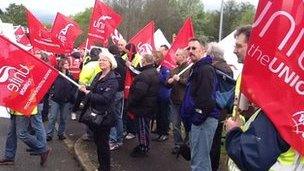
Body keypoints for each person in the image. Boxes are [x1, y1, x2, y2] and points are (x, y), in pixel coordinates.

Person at [181, 38, 219, 171]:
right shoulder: (198, 67)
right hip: (200, 120)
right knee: (199, 159)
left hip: (203, 121)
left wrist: (196, 120)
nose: (190, 51)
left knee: (199, 161)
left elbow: (206, 100)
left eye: (194, 48)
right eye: (189, 48)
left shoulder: (205, 69)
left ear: (203, 50)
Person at [79, 49, 119, 171]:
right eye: (100, 60)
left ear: (110, 63)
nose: (101, 62)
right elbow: (94, 88)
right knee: (98, 142)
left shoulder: (113, 80)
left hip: (104, 117)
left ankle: (105, 168)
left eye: (104, 60)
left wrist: (88, 93)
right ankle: (102, 166)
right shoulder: (99, 75)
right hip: (96, 115)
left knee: (102, 144)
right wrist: (86, 87)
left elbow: (105, 99)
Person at [205, 42, 233, 171]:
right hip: (222, 110)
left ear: (212, 54)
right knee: (215, 142)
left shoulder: (213, 68)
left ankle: (210, 167)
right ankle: (213, 167)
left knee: (210, 143)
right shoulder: (227, 68)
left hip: (213, 109)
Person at [128, 54, 159, 157]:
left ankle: (143, 147)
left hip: (142, 107)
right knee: (144, 127)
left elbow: (139, 92)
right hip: (150, 105)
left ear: (145, 61)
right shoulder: (154, 71)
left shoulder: (144, 75)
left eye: (142, 60)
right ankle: (144, 145)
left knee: (142, 128)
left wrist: (131, 102)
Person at [166, 48, 190, 154]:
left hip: (185, 102)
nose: (175, 56)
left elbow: (189, 82)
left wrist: (179, 80)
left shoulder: (190, 69)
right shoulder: (174, 70)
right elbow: (167, 83)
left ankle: (188, 144)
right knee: (175, 124)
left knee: (187, 125)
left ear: (184, 57)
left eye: (177, 54)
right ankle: (178, 144)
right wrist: (169, 81)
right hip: (174, 101)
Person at [46, 58, 76, 141]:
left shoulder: (70, 75)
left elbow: (74, 86)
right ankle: (49, 134)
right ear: (61, 64)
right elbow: (49, 85)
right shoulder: (56, 74)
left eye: (68, 63)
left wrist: (71, 94)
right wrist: (52, 93)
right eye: (65, 63)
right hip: (56, 99)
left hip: (66, 100)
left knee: (63, 118)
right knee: (52, 117)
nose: (67, 65)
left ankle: (61, 133)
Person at [108, 45, 126, 151]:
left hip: (114, 92)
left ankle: (113, 140)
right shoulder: (123, 61)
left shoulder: (113, 63)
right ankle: (119, 139)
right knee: (119, 116)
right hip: (121, 91)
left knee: (112, 116)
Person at [153, 50, 171, 142]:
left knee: (164, 115)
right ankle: (159, 132)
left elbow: (165, 80)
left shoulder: (165, 68)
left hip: (164, 95)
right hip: (157, 94)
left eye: (155, 57)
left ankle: (164, 133)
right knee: (159, 115)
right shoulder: (156, 67)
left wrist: (158, 73)